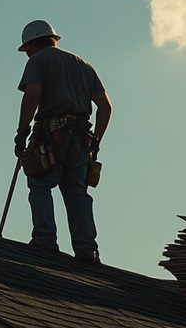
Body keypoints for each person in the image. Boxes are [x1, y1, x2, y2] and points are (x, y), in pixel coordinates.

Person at [14, 20, 112, 264]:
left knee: (40, 184)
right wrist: (96, 141)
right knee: (77, 193)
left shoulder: (38, 61)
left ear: (32, 45)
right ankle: (86, 250)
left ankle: (45, 241)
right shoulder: (83, 65)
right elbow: (105, 107)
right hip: (80, 140)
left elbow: (32, 95)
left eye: (27, 50)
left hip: (51, 135)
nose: (27, 54)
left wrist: (21, 131)